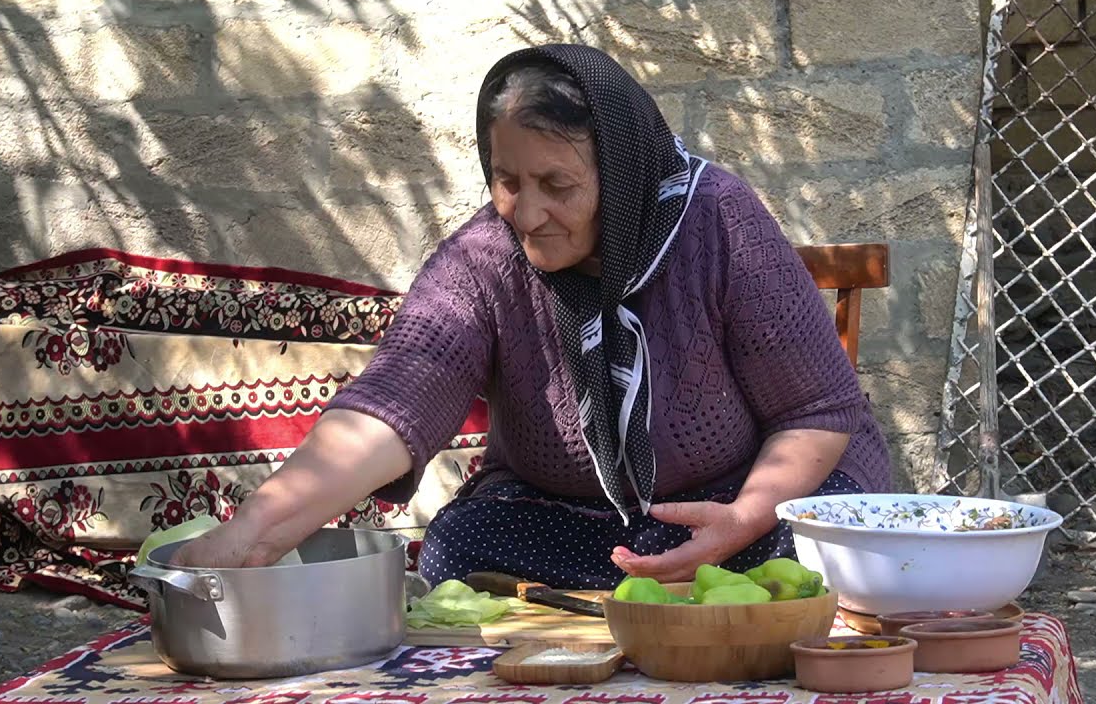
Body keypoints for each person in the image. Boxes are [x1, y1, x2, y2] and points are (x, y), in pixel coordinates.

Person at [172, 44, 892, 589]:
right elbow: (394, 402)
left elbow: (817, 411)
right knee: (461, 545)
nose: (529, 213)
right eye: (506, 181)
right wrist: (256, 532)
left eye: (558, 184)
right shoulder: (484, 261)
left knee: (828, 541)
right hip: (578, 524)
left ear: (625, 169)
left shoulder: (718, 222)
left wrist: (742, 521)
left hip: (745, 507)